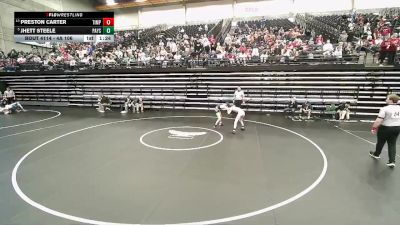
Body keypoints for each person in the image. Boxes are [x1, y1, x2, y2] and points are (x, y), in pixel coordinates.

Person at [369, 94, 400, 168]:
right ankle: (392, 161)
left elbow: (378, 120)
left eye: (387, 98)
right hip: (397, 128)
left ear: (391, 100)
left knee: (380, 141)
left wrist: (374, 128)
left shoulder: (385, 109)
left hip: (385, 128)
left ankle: (376, 154)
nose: (386, 99)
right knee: (392, 144)